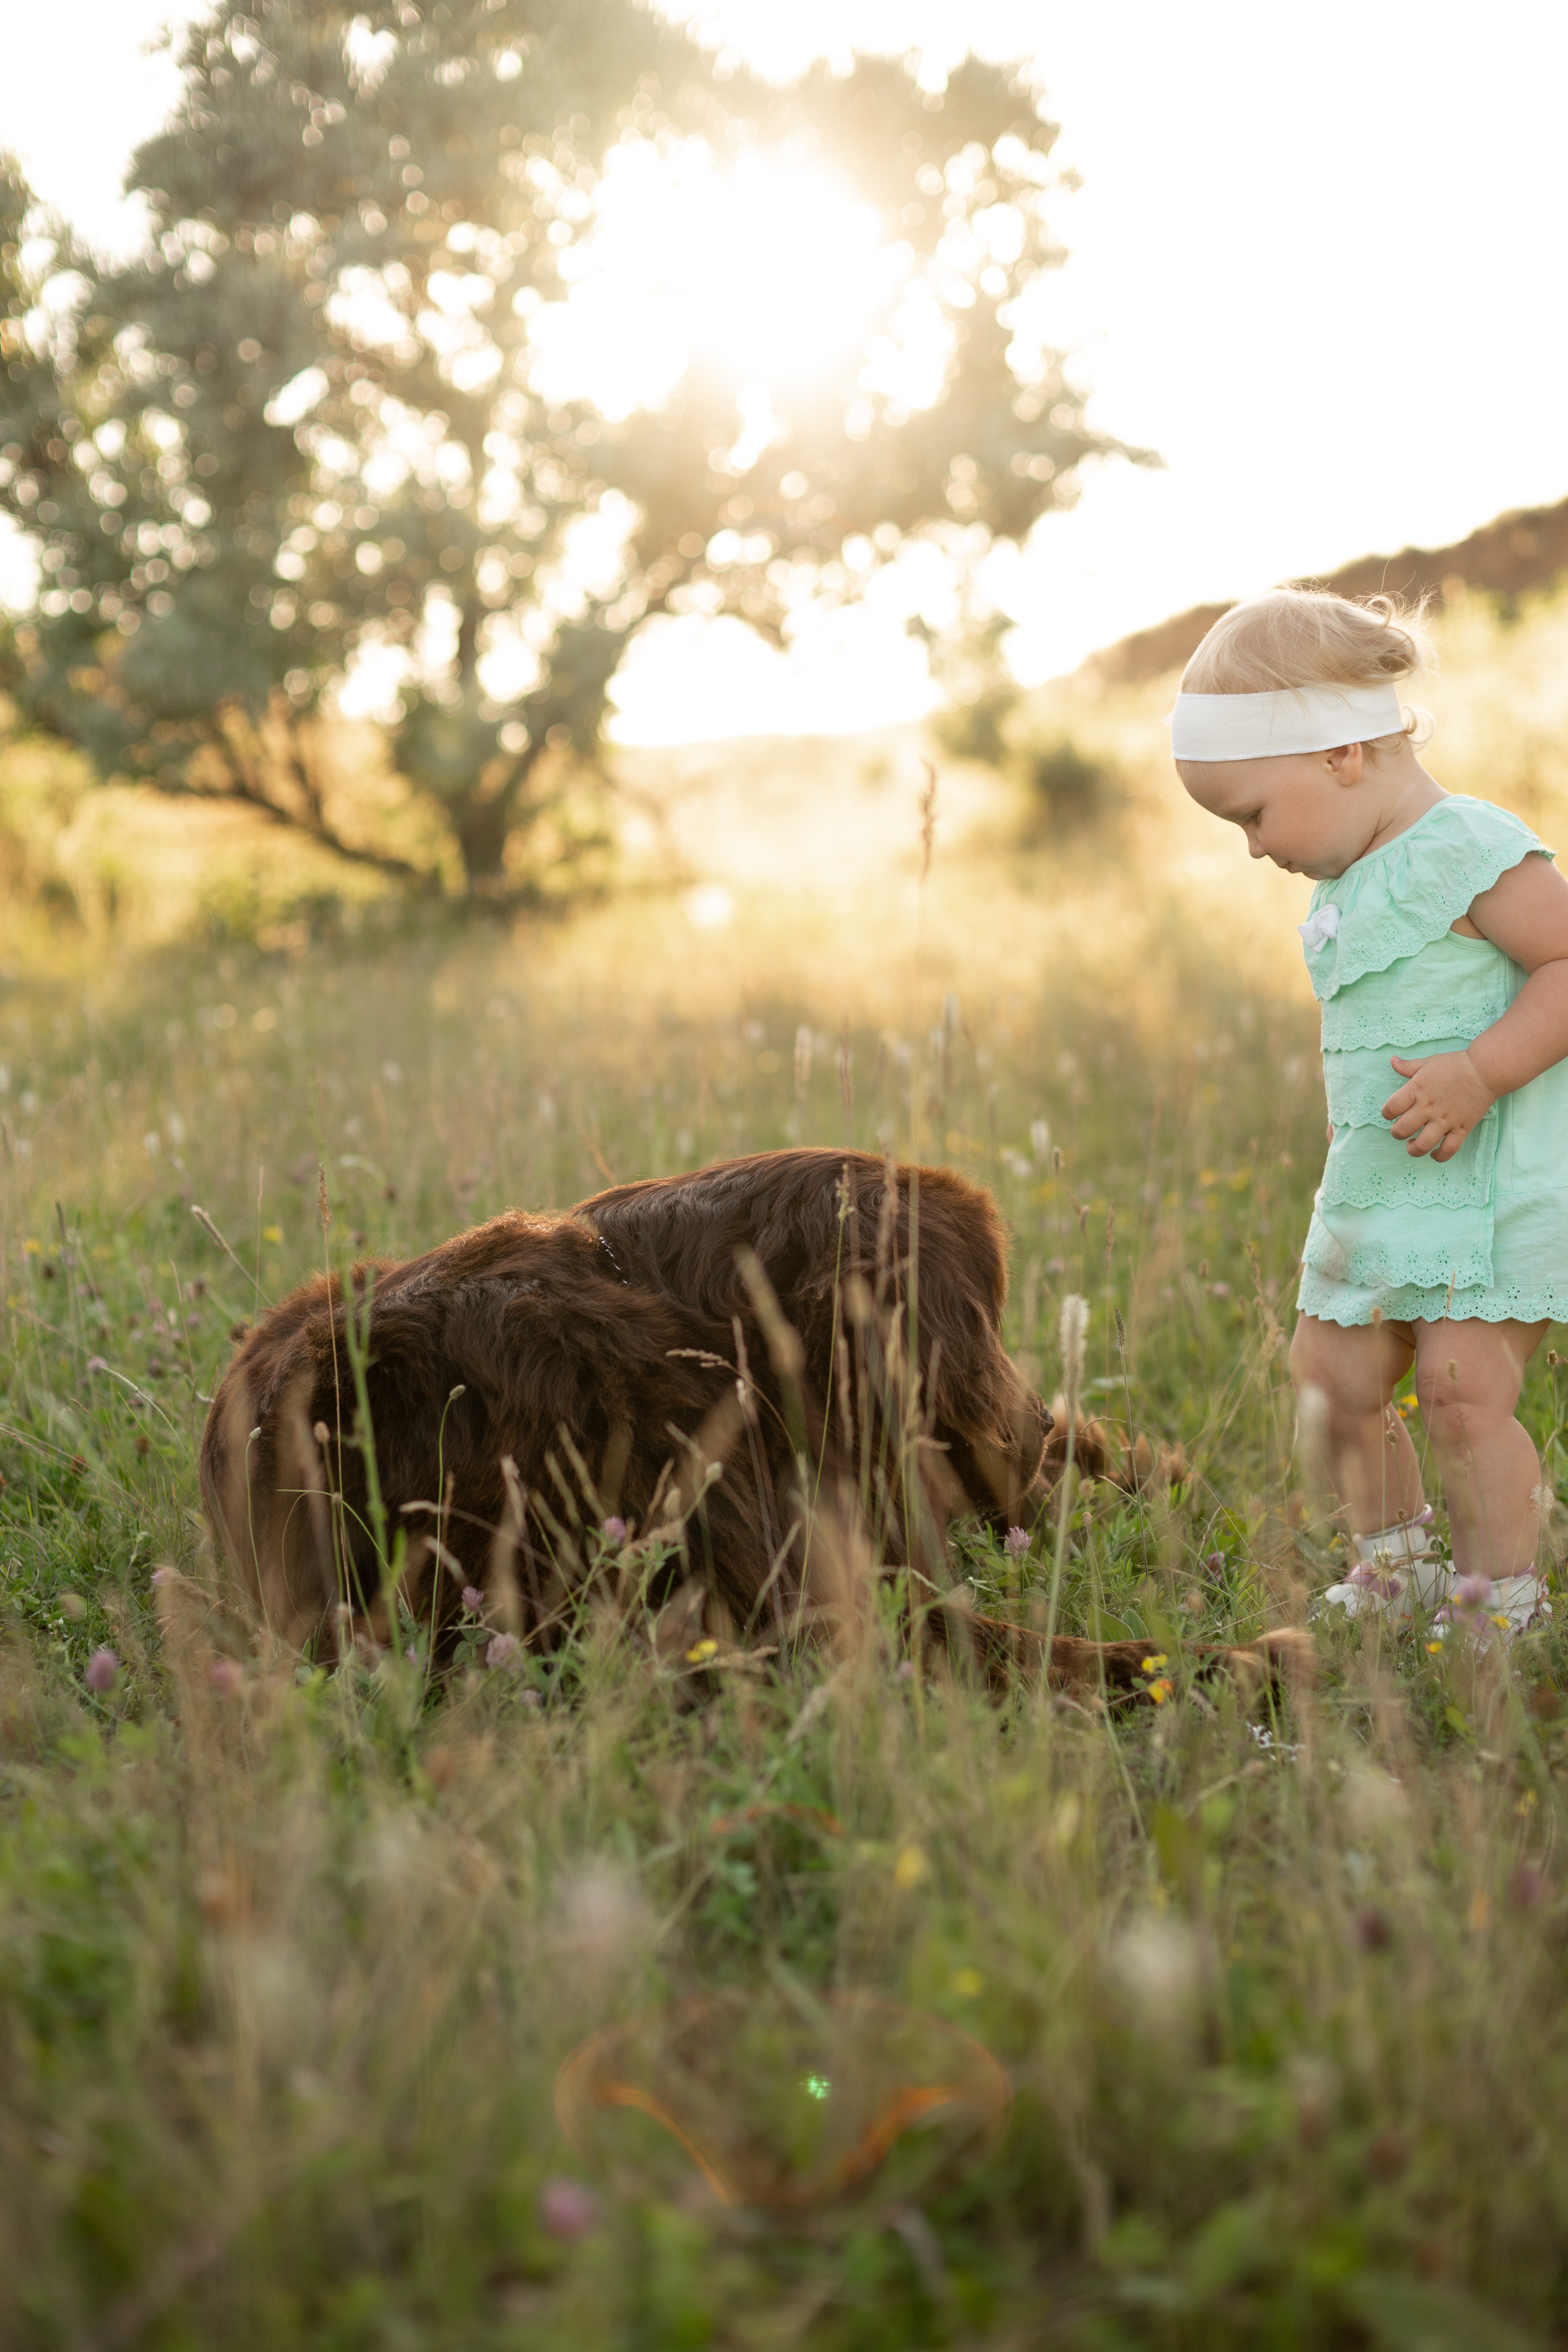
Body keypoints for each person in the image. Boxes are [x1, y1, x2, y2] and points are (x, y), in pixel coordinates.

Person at [1169, 589, 1568, 1633]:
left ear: (1342, 754)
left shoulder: (1471, 847)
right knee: (1329, 1376)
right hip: (1382, 1180)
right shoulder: (1346, 876)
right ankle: (1400, 1568)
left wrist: (1481, 1070)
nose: (1252, 848)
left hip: (1485, 1187)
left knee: (1459, 1390)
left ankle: (1499, 1601)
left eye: (1252, 814)